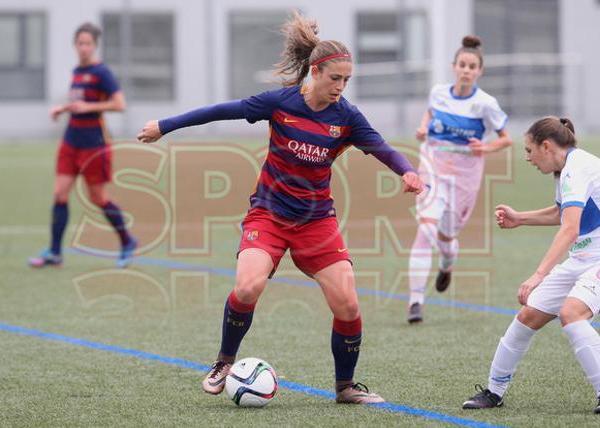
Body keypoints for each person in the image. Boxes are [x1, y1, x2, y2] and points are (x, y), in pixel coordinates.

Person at [137, 12, 424, 404]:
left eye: (346, 80)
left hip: (316, 221)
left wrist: (408, 172)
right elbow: (222, 110)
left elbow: (383, 149)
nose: (340, 87)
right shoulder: (281, 102)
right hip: (269, 216)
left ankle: (344, 387)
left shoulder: (347, 118)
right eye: (334, 78)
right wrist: (165, 125)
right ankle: (224, 361)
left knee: (348, 303)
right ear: (316, 72)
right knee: (248, 285)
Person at [462, 117, 600, 414]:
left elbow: (569, 228)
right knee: (528, 315)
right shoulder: (567, 168)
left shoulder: (577, 168)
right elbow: (563, 212)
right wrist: (520, 218)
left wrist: (538, 275)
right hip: (585, 257)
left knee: (571, 312)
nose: (527, 158)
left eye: (529, 150)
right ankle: (494, 392)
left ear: (546, 146)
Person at [407, 35, 512, 323]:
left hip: (465, 175)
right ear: (454, 66)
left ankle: (446, 264)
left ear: (480, 71)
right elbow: (429, 112)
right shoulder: (439, 92)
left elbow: (506, 139)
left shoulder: (485, 104)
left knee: (446, 235)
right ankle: (415, 301)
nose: (466, 70)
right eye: (462, 65)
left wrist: (485, 147)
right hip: (432, 165)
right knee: (425, 229)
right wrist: (423, 127)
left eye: (472, 66)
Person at [29, 22, 137, 269]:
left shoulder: (102, 73)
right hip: (71, 140)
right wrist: (62, 108)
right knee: (59, 193)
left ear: (94, 45)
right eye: (80, 43)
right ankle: (55, 252)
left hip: (93, 143)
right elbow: (79, 102)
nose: (84, 48)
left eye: (88, 43)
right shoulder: (76, 70)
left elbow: (120, 104)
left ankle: (127, 241)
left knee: (98, 197)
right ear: (75, 45)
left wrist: (89, 108)